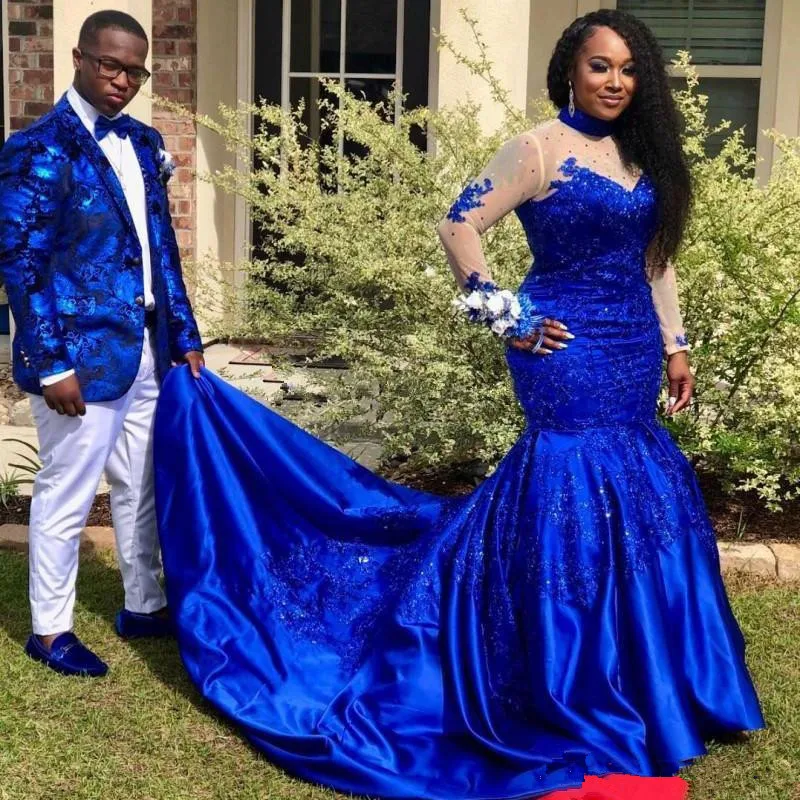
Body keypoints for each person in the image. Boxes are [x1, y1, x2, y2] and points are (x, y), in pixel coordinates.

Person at [154, 9, 763, 799]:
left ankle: (653, 677)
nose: (615, 82)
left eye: (627, 69)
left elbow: (657, 258)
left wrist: (676, 345)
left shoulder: (642, 152)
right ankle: (570, 676)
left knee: (638, 482)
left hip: (632, 348)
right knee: (572, 481)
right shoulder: (539, 148)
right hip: (562, 347)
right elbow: (459, 225)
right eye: (599, 67)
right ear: (569, 72)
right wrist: (505, 317)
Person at [0, 10, 203, 678]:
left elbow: (162, 251)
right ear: (80, 58)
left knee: (140, 485)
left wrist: (185, 335)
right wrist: (50, 363)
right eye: (111, 65)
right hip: (77, 361)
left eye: (134, 72)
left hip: (147, 349)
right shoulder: (37, 148)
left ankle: (145, 605)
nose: (122, 81)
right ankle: (50, 630)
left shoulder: (145, 143)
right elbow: (22, 265)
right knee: (67, 492)